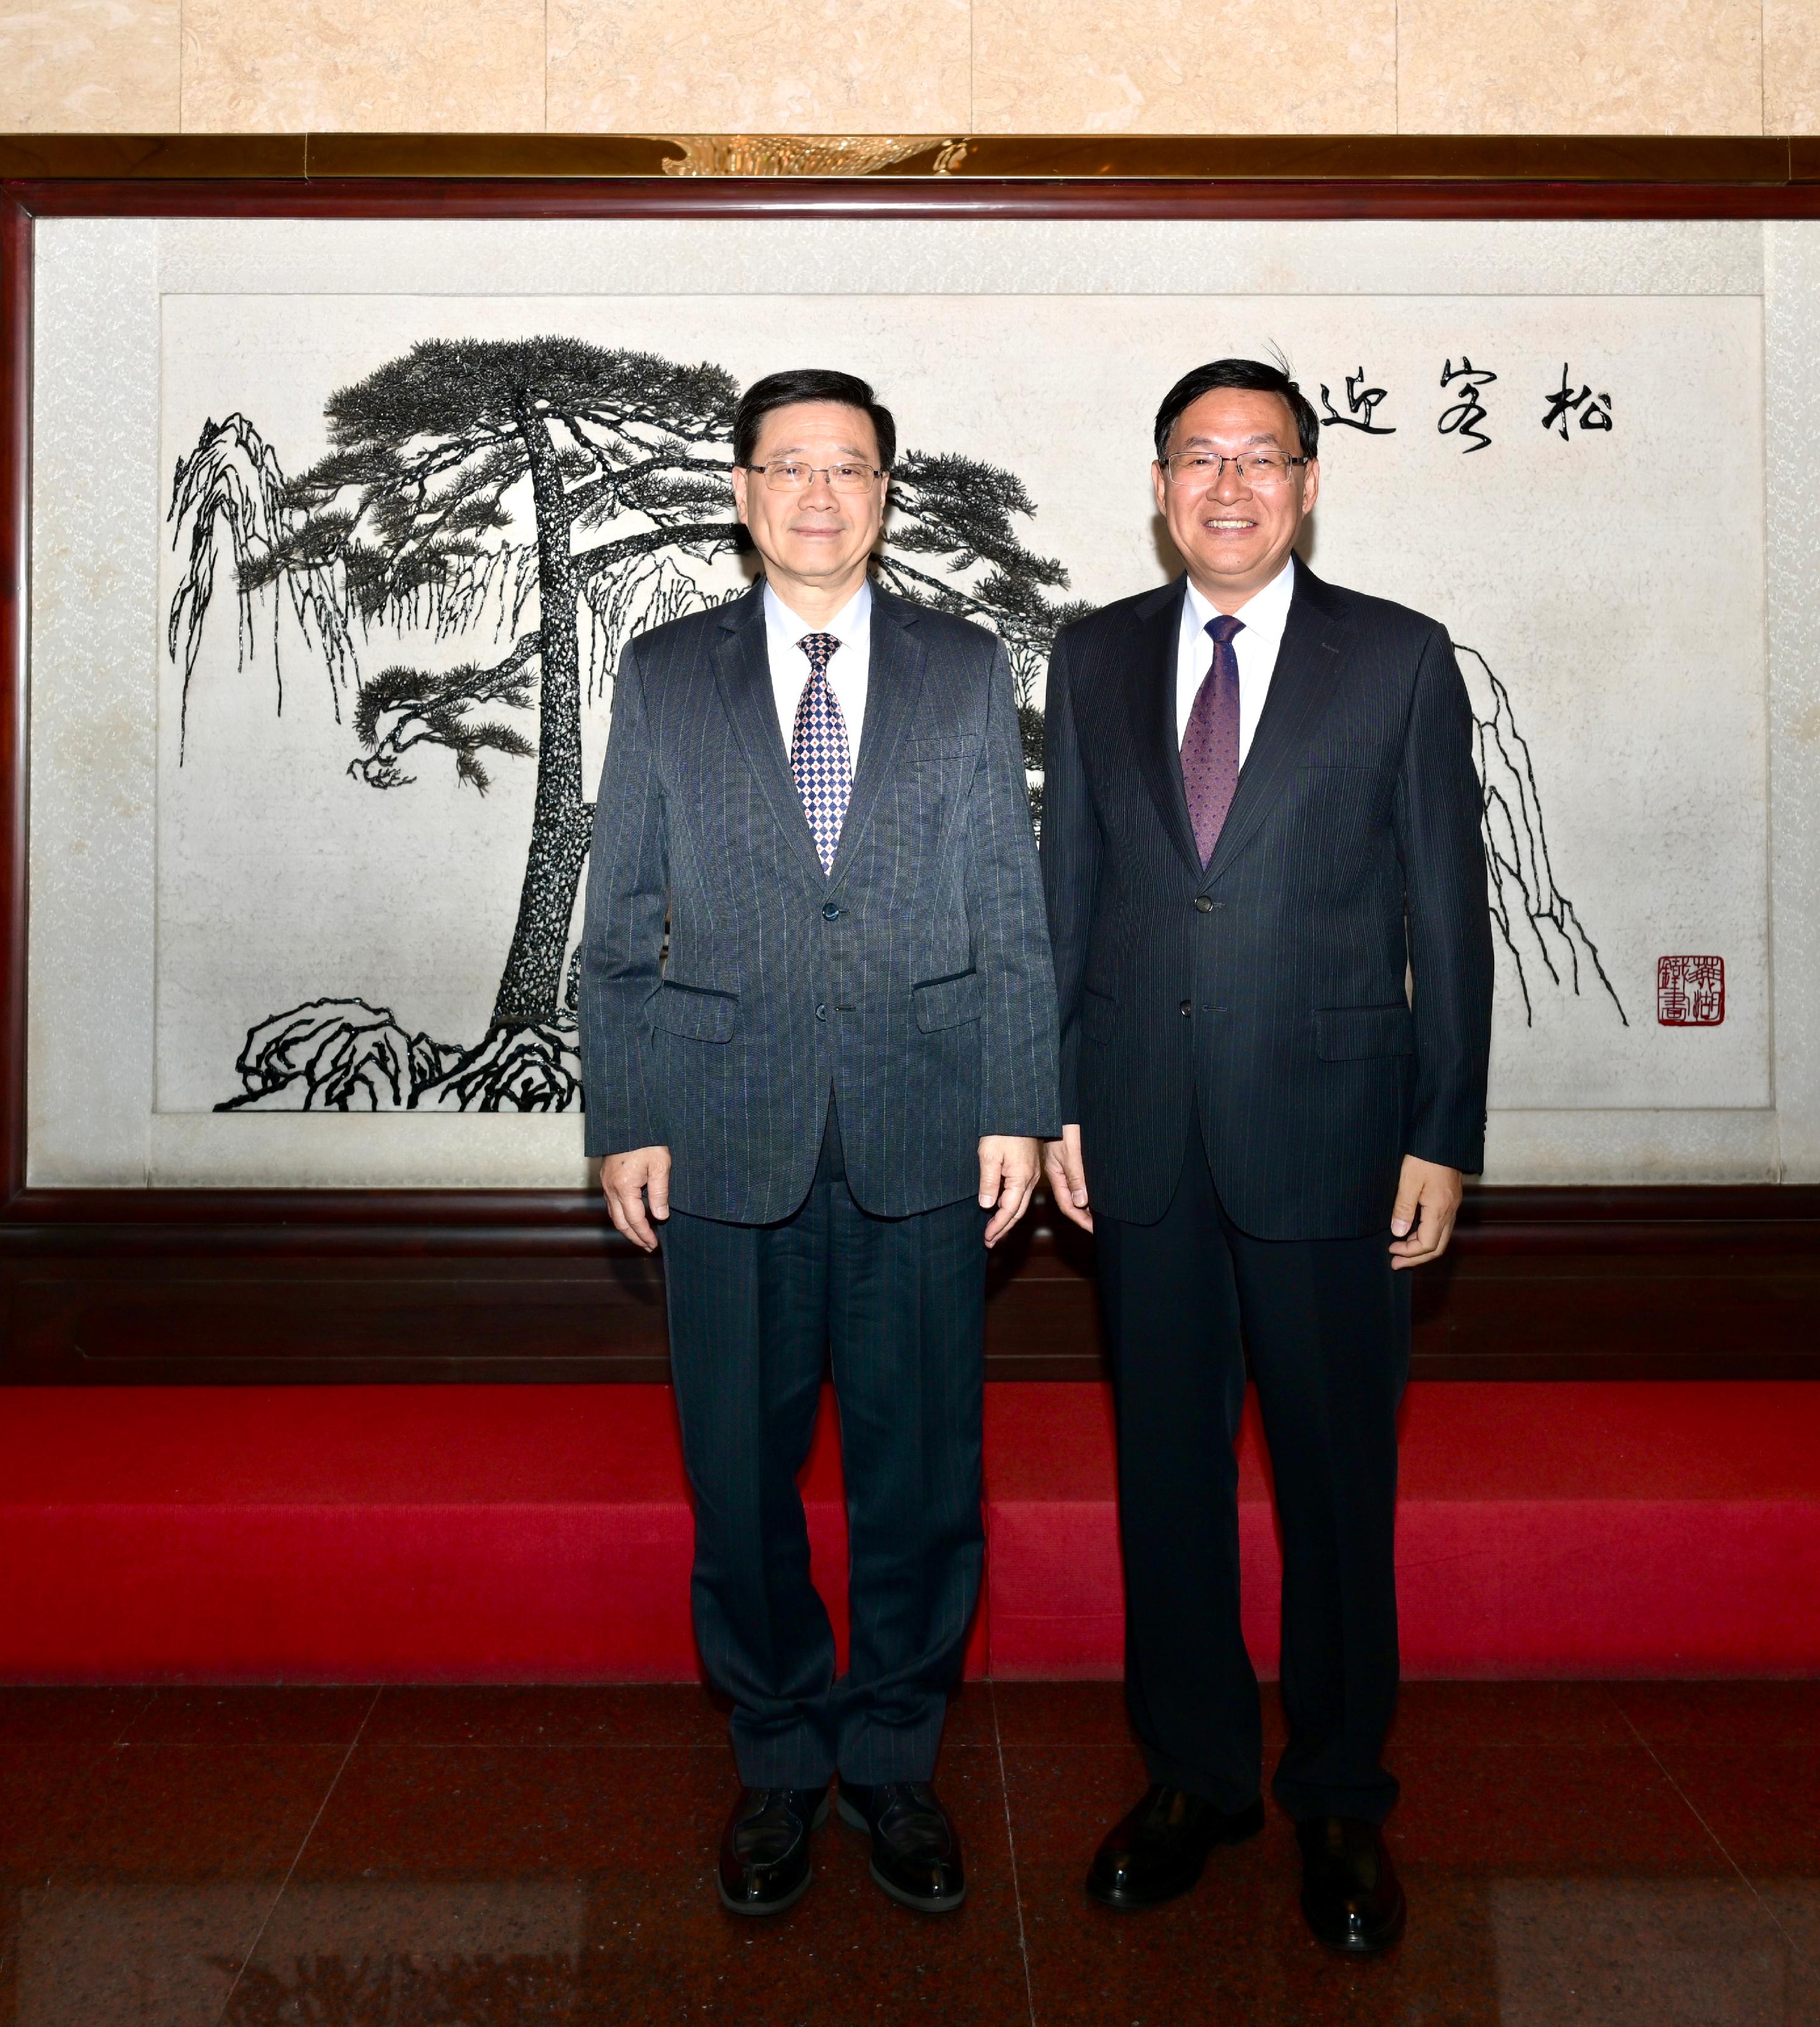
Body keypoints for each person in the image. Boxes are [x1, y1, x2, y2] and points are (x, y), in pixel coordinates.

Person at [581, 368, 1060, 1920]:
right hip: (718, 1136)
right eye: (785, 466)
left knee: (922, 1475)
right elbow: (619, 924)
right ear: (739, 490)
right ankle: (781, 1757)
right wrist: (625, 1119)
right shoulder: (662, 673)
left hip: (926, 1130)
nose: (815, 495)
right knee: (739, 1472)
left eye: (847, 468)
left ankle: (898, 1758)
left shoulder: (960, 666)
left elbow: (1007, 907)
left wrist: (1016, 1098)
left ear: (881, 494)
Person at [1037, 357, 1493, 1956]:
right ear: (1158, 483)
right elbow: (1067, 904)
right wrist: (1054, 1100)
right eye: (1196, 459)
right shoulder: (1089, 657)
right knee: (1166, 1478)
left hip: (1336, 1137)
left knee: (1334, 1486)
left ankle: (1342, 1790)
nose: (1227, 487)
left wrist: (1446, 1127)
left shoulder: (1400, 659)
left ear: (1308, 483)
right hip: (1143, 1132)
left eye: (1260, 459)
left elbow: (1452, 911)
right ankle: (1195, 1775)